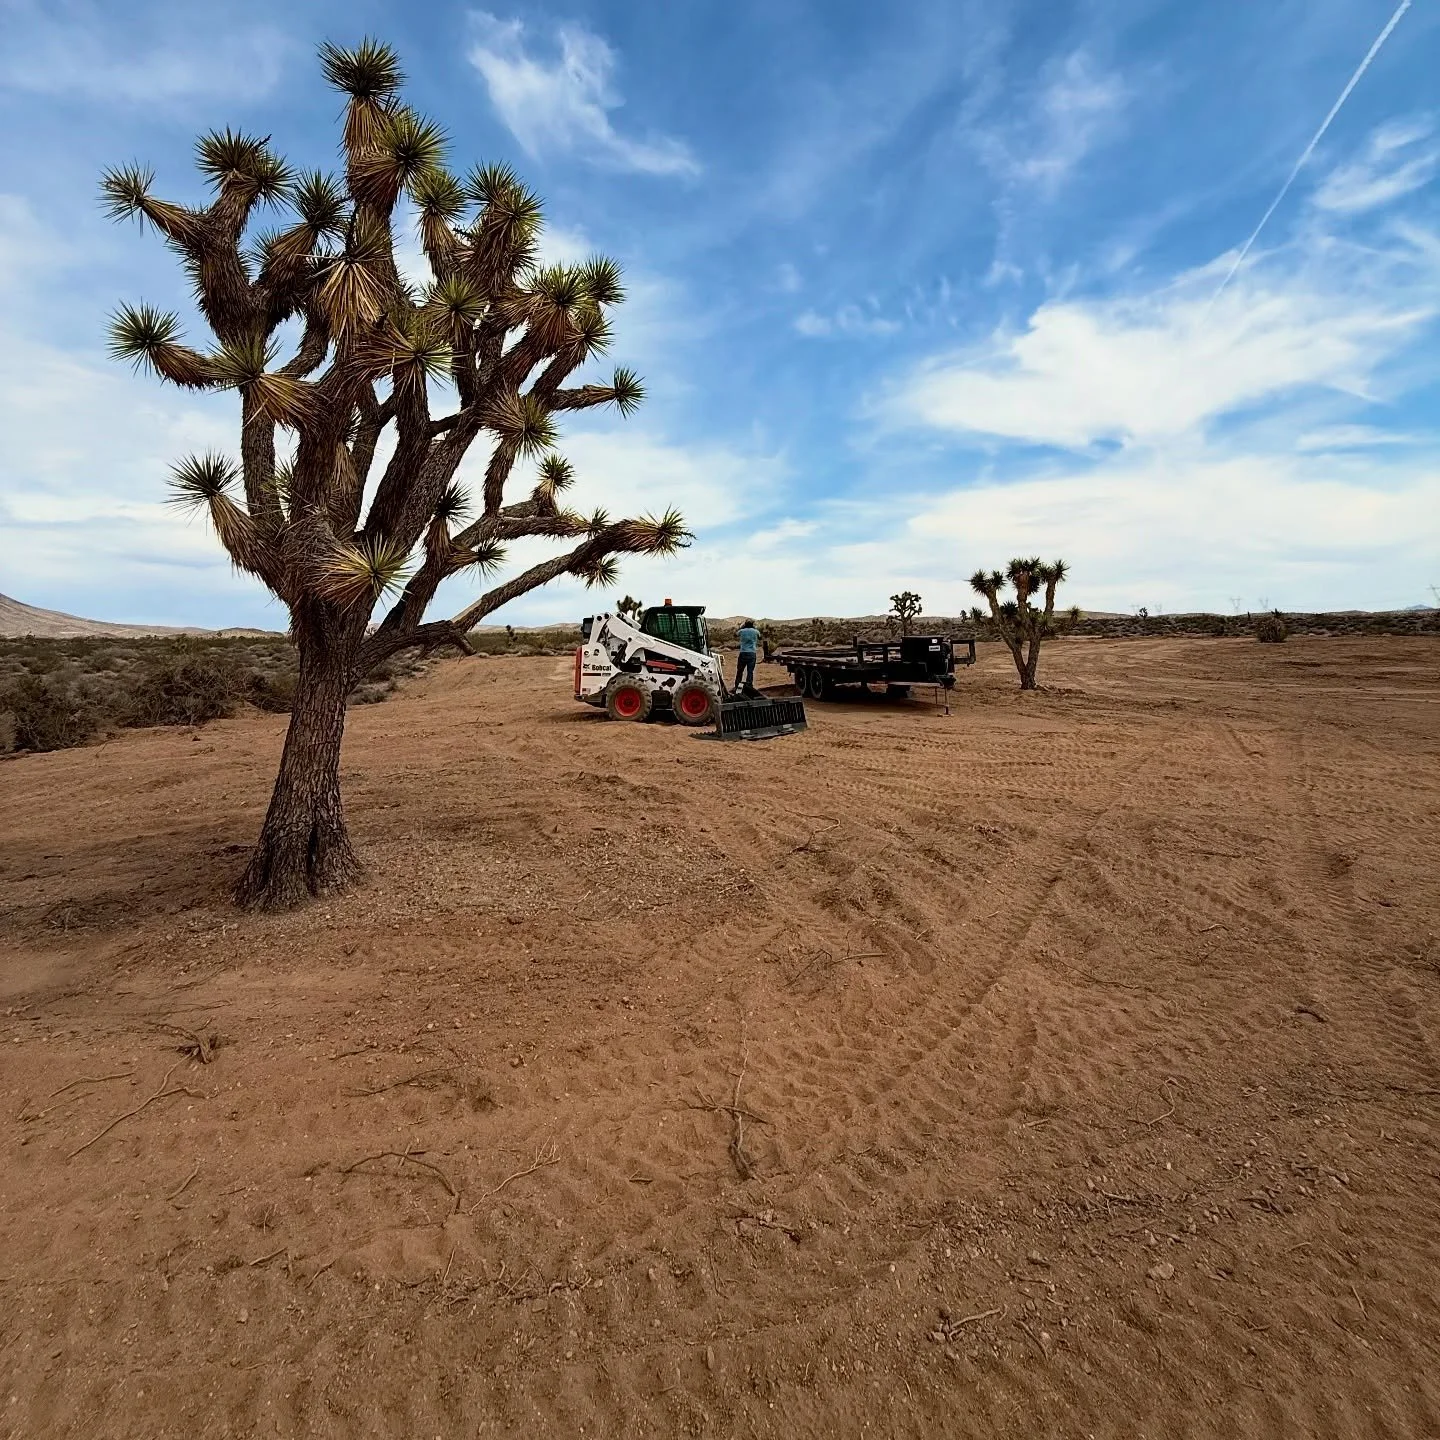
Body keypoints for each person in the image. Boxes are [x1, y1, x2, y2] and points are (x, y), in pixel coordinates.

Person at [734, 618, 761, 695]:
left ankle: (737, 686)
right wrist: (754, 628)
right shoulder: (756, 631)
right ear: (752, 624)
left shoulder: (741, 631)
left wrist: (741, 627)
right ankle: (749, 685)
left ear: (745, 624)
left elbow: (735, 635)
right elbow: (760, 637)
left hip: (743, 653)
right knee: (750, 671)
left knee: (740, 670)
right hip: (752, 653)